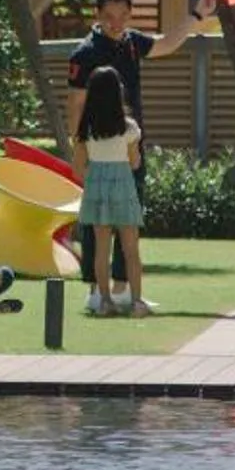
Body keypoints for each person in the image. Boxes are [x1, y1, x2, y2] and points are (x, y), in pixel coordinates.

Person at [65, 0, 208, 313]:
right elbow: (75, 103)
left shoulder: (132, 42)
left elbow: (165, 44)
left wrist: (197, 14)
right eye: (109, 16)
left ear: (130, 14)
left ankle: (122, 290)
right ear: (98, 16)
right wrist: (77, 149)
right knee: (96, 224)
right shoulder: (84, 53)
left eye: (123, 15)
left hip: (128, 145)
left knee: (128, 219)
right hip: (98, 150)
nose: (117, 22)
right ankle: (94, 292)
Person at [69, 67, 150, 317]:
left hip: (96, 185)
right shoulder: (129, 127)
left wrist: (95, 175)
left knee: (101, 250)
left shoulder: (86, 129)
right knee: (131, 250)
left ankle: (104, 301)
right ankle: (137, 303)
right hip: (123, 184)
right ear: (118, 93)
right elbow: (135, 162)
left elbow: (78, 168)